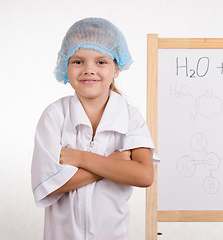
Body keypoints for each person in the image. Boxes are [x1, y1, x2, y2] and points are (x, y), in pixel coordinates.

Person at [31, 17, 157, 240]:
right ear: (65, 66)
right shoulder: (54, 115)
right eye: (78, 61)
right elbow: (48, 185)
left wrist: (81, 158)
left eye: (101, 62)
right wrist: (113, 164)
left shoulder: (130, 116)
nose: (89, 70)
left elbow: (144, 175)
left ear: (116, 69)